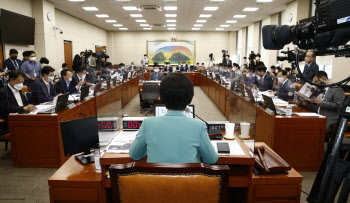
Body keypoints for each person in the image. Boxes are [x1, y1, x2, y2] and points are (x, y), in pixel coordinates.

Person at [129, 73, 218, 164]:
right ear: (190, 97)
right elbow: (211, 159)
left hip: (157, 178)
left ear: (162, 97)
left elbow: (134, 155)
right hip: (187, 178)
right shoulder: (199, 126)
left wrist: (149, 150)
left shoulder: (148, 123)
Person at [0, 70, 36, 136]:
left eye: (22, 82)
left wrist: (29, 106)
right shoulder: (3, 92)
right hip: (9, 121)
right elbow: (7, 108)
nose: (21, 85)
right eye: (19, 82)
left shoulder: (18, 90)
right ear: (11, 80)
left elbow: (25, 103)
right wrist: (23, 108)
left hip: (23, 116)